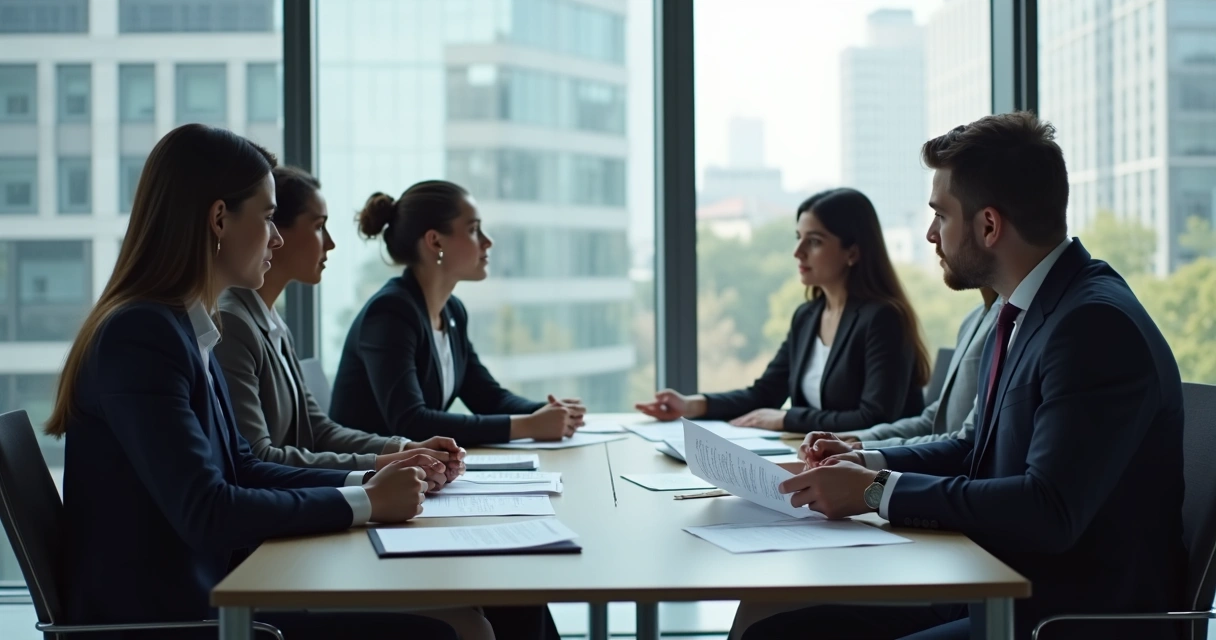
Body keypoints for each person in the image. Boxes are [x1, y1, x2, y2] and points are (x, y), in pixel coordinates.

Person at [744, 113, 1186, 640]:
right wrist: (865, 461)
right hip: (993, 588)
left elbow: (1047, 510)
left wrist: (873, 491)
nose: (930, 234)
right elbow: (976, 445)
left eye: (940, 215)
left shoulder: (1092, 325)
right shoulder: (1028, 309)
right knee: (775, 631)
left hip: (1063, 616)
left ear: (989, 225)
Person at [46, 124, 459, 640]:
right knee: (447, 630)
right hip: (174, 620)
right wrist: (368, 502)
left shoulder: (186, 325)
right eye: (267, 217)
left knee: (461, 618)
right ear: (219, 219)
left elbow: (243, 465)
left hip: (214, 596)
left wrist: (370, 482)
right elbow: (209, 510)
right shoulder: (142, 335)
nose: (278, 236)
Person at [214, 166, 552, 640]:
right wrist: (378, 475)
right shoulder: (236, 325)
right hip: (287, 547)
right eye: (316, 226)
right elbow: (256, 461)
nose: (330, 243)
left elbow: (318, 427)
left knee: (516, 594)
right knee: (482, 613)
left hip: (325, 515)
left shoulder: (268, 320)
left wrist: (401, 451)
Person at [636, 187, 929, 434]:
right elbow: (765, 394)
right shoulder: (808, 316)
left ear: (852, 252)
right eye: (798, 237)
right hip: (820, 462)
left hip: (871, 474)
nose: (798, 251)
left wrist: (787, 419)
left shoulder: (884, 319)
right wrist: (690, 405)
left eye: (814, 241)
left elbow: (875, 418)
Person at [329, 180, 585, 447]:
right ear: (435, 241)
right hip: (369, 477)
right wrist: (527, 426)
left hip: (415, 475)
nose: (488, 242)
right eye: (474, 230)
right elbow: (411, 423)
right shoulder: (390, 314)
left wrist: (550, 412)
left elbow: (488, 398)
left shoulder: (452, 311)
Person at [836, 287, 998, 449]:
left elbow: (965, 441)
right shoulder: (973, 318)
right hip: (936, 458)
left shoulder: (1006, 323)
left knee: (872, 474)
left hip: (950, 465)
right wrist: (861, 439)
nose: (940, 259)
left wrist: (864, 449)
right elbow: (933, 420)